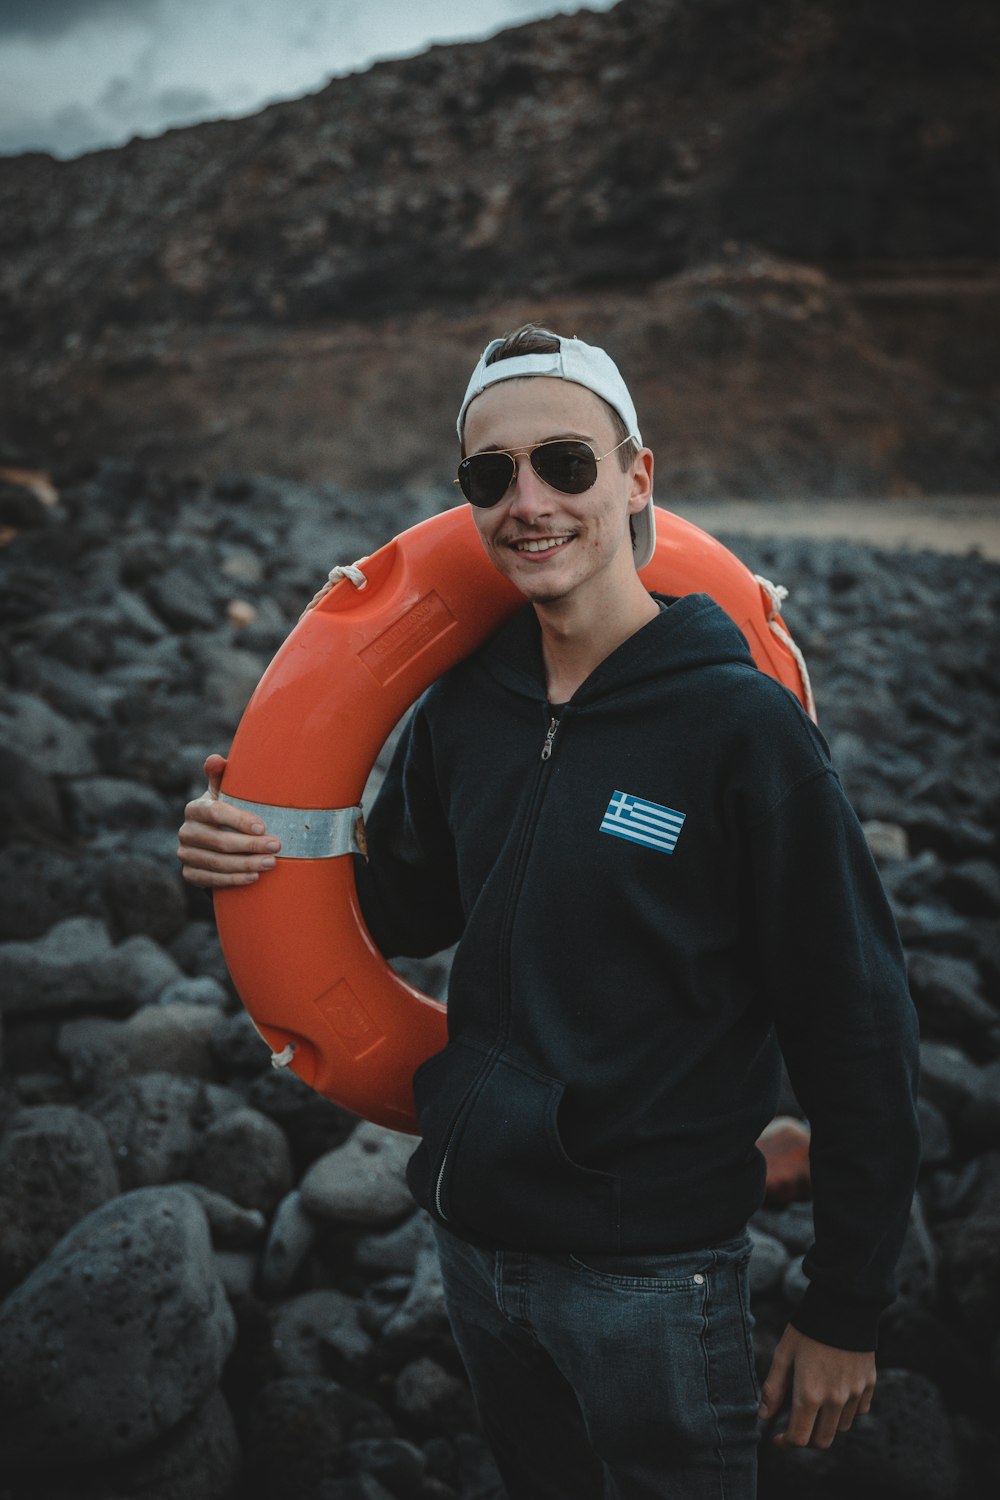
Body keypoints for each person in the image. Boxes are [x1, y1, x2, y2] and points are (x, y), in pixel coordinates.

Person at [178, 325, 921, 1500]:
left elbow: (858, 1030)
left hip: (654, 1281)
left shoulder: (743, 735)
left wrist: (845, 1311)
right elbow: (403, 906)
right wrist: (244, 854)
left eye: (564, 463)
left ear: (636, 478)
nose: (528, 501)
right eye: (491, 475)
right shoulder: (472, 703)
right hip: (475, 1253)